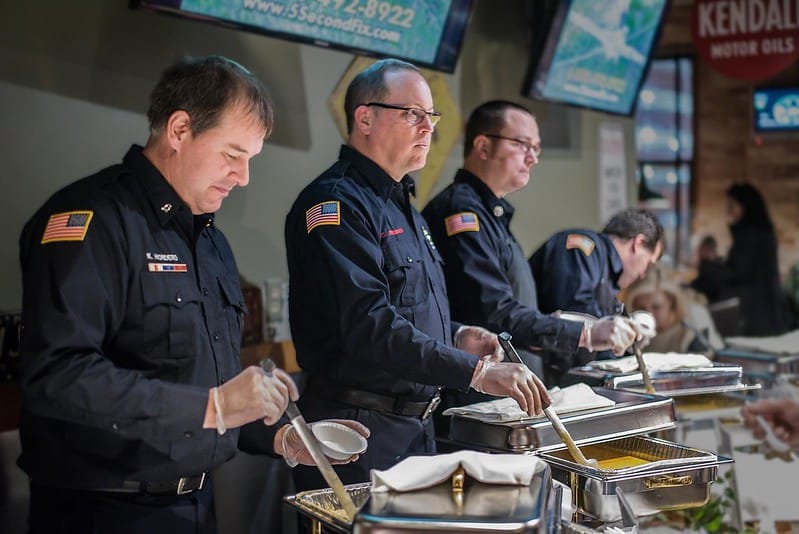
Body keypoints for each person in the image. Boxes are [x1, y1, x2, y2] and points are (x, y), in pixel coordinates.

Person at [17, 55, 366, 534]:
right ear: (179, 130)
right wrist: (214, 407)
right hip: (104, 509)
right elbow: (57, 376)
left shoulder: (210, 241)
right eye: (232, 155)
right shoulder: (92, 221)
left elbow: (202, 380)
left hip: (197, 506)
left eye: (251, 160)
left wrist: (281, 436)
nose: (243, 177)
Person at [285, 59, 550, 492]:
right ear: (365, 118)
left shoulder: (405, 204)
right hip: (357, 433)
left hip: (415, 428)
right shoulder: (335, 205)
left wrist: (456, 334)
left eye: (431, 116)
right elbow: (368, 325)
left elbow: (411, 310)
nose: (428, 128)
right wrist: (476, 371)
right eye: (412, 114)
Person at [421, 100, 638, 391]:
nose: (532, 158)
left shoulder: (491, 215)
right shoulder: (462, 213)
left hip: (508, 386)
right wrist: (584, 333)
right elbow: (493, 312)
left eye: (536, 149)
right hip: (477, 390)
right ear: (483, 147)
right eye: (523, 144)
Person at [528, 208, 664, 381]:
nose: (643, 274)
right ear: (638, 243)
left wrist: (628, 337)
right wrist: (612, 329)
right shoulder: (581, 247)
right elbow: (574, 311)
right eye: (648, 263)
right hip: (534, 371)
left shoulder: (607, 276)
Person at [719, 183, 789, 336]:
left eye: (733, 204)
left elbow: (741, 271)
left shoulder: (750, 234)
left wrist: (713, 268)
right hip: (765, 309)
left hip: (755, 311)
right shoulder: (761, 232)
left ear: (746, 205)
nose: (729, 209)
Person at [624, 264, 713, 354]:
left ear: (671, 300)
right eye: (641, 308)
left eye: (657, 307)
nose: (649, 314)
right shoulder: (632, 335)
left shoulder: (691, 332)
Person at [689, 234, 725, 303]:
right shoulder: (720, 264)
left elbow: (698, 287)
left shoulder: (708, 267)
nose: (698, 252)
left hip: (711, 306)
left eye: (700, 249)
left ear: (705, 249)